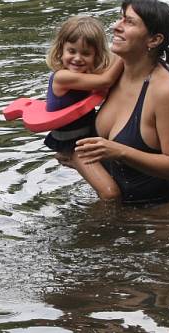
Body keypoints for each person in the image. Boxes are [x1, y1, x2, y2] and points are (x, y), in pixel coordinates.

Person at [72, 0, 169, 205]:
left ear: (154, 40)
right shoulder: (112, 71)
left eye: (129, 22)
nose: (116, 26)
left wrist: (119, 151)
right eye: (120, 18)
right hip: (116, 202)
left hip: (161, 212)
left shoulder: (165, 91)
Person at [45, 16, 123, 200]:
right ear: (60, 51)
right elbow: (106, 80)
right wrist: (123, 52)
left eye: (86, 54)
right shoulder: (62, 77)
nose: (77, 58)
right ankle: (97, 225)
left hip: (86, 136)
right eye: (71, 51)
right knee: (110, 193)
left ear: (96, 55)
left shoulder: (85, 74)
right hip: (74, 145)